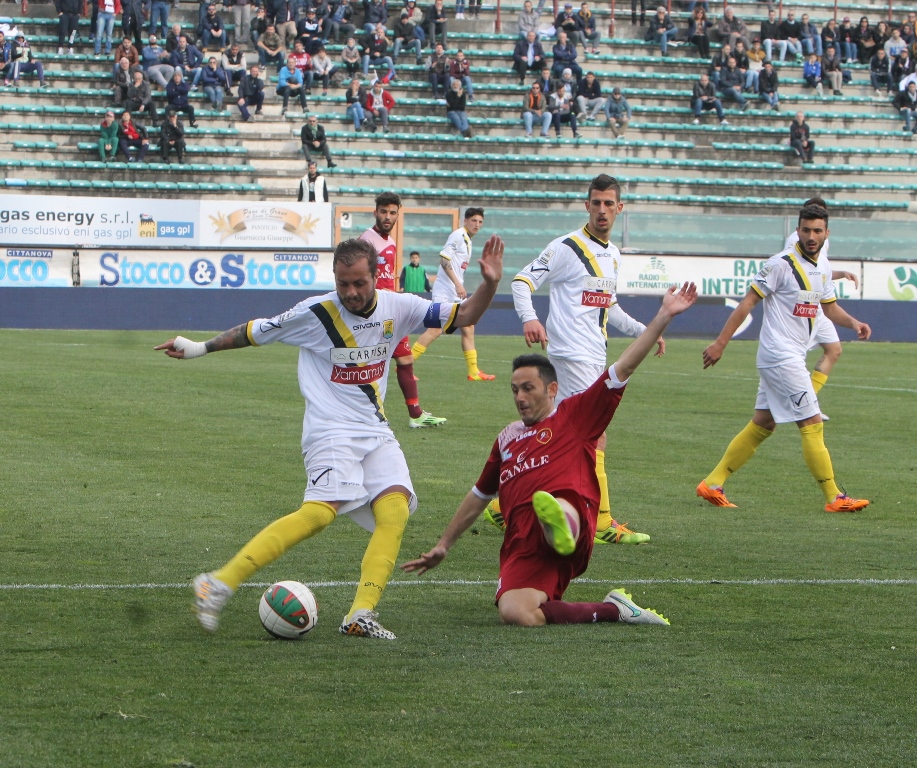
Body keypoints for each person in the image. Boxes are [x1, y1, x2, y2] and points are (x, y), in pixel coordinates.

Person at [160, 234, 504, 641]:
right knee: (320, 513)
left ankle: (361, 614)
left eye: (359, 283)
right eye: (343, 283)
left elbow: (465, 313)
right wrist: (199, 348)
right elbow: (255, 331)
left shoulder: (400, 306)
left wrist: (490, 284)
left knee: (395, 511)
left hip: (374, 429)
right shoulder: (317, 313)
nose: (351, 292)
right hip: (329, 430)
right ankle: (217, 583)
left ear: (376, 276)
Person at [401, 284, 700, 626]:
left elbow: (623, 368)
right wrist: (443, 544)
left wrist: (663, 315)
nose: (520, 397)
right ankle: (615, 609)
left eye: (528, 388)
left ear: (552, 389)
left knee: (558, 503)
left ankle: (559, 521)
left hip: (573, 521)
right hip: (522, 543)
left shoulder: (574, 416)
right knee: (517, 613)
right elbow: (479, 495)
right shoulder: (507, 438)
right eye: (515, 390)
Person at [506, 173, 656, 545]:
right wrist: (530, 318)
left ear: (620, 208)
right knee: (594, 432)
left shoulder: (613, 254)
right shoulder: (566, 247)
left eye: (609, 204)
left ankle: (503, 504)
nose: (602, 210)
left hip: (591, 354)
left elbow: (609, 307)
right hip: (572, 355)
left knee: (558, 434)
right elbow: (522, 282)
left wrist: (645, 331)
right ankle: (602, 522)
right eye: (596, 203)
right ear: (587, 205)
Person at [697, 205, 871, 515]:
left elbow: (829, 308)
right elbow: (747, 304)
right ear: (798, 230)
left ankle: (713, 483)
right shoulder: (780, 264)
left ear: (826, 233)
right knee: (811, 422)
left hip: (788, 356)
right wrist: (720, 343)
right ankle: (834, 497)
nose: (811, 236)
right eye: (806, 230)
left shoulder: (823, 267)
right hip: (780, 356)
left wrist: (855, 323)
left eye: (817, 231)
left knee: (764, 422)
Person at [360, 192, 445, 428]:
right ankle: (364, 414)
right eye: (383, 212)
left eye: (392, 212)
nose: (388, 217)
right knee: (371, 362)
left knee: (405, 358)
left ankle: (415, 414)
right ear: (375, 212)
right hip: (375, 310)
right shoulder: (366, 240)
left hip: (392, 310)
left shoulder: (390, 242)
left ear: (398, 214)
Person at [781, 197, 860, 422]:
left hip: (818, 303)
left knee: (834, 349)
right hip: (804, 304)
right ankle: (801, 403)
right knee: (795, 356)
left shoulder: (824, 241)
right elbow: (796, 269)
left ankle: (808, 401)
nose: (814, 233)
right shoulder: (795, 240)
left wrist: (841, 273)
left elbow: (819, 269)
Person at [412, 208, 496, 382]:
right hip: (445, 291)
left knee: (468, 327)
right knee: (435, 330)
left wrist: (458, 285)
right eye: (474, 221)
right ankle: (406, 366)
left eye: (480, 222)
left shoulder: (467, 240)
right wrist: (458, 284)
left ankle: (473, 371)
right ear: (465, 221)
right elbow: (444, 260)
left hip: (454, 292)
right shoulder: (458, 235)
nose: (477, 225)